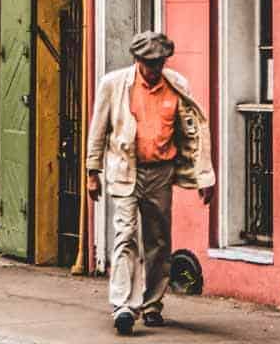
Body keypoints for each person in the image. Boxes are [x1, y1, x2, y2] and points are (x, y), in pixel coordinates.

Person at [86, 31, 214, 336]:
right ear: (137, 60)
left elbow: (195, 134)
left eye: (159, 62)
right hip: (125, 169)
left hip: (161, 172)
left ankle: (153, 304)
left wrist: (204, 176)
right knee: (125, 236)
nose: (155, 68)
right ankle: (123, 306)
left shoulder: (177, 86)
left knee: (158, 241)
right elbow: (98, 129)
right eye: (149, 62)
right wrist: (92, 171)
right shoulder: (114, 85)